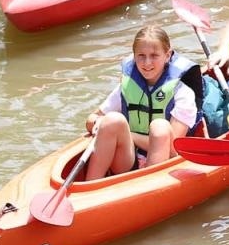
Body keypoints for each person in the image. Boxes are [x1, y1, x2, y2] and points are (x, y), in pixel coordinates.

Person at [83, 25, 203, 179]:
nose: (147, 63)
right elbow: (91, 119)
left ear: (167, 55)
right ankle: (92, 183)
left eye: (154, 55)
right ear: (134, 56)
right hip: (128, 159)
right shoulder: (127, 87)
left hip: (165, 160)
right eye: (141, 55)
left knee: (160, 127)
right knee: (112, 120)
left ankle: (151, 184)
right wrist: (99, 123)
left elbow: (173, 145)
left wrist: (130, 135)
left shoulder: (183, 93)